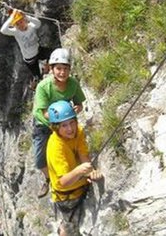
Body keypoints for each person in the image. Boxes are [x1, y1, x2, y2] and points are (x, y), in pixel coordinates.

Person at [32, 48, 86, 198]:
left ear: (70, 69)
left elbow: (79, 103)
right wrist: (56, 122)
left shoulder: (73, 84)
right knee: (39, 160)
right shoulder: (43, 87)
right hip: (44, 125)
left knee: (71, 152)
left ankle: (76, 175)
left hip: (65, 123)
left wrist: (77, 108)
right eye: (59, 69)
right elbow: (41, 112)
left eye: (65, 69)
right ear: (51, 69)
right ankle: (48, 178)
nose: (62, 73)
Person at [46, 100, 102, 236]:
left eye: (72, 122)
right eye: (64, 125)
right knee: (71, 231)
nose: (70, 128)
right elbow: (63, 181)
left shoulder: (79, 131)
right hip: (67, 198)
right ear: (55, 127)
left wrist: (91, 172)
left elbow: (83, 154)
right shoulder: (55, 147)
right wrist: (79, 171)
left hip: (81, 185)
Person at [0, 8, 53, 89]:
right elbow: (3, 30)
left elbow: (38, 23)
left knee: (52, 53)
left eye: (21, 22)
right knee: (38, 77)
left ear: (25, 21)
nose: (20, 25)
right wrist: (12, 16)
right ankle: (35, 83)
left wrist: (26, 16)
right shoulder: (16, 32)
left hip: (38, 50)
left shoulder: (31, 26)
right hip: (29, 59)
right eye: (17, 24)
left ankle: (46, 67)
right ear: (15, 26)